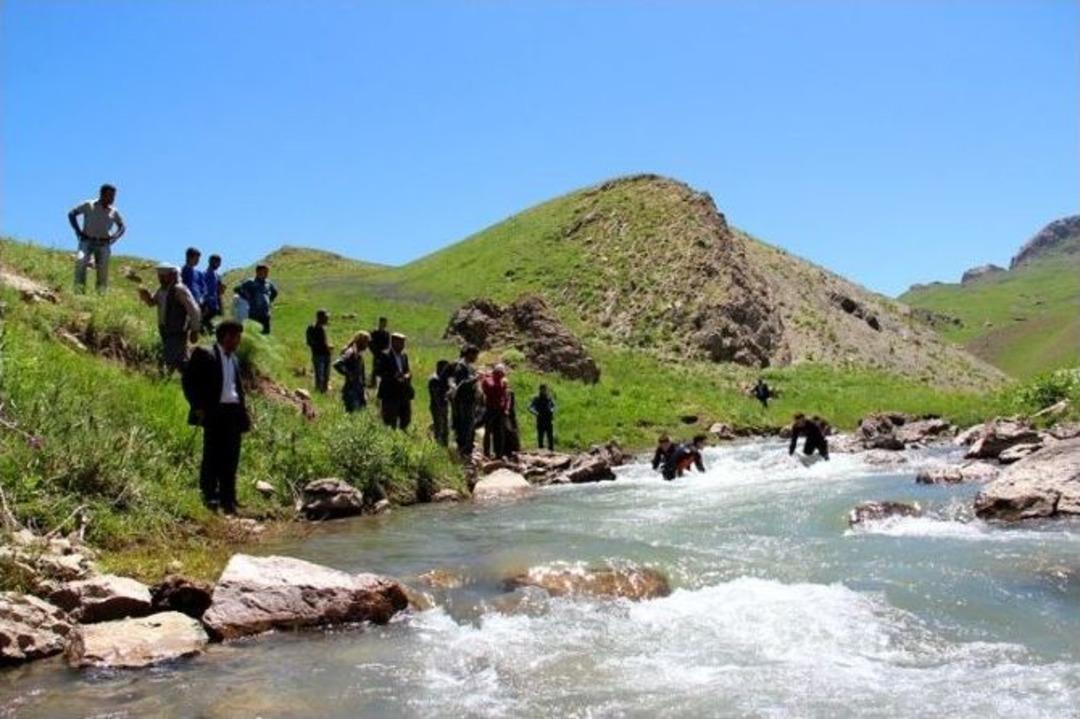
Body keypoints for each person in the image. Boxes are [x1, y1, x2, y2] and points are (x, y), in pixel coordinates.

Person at [182, 320, 251, 514]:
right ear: (227, 336)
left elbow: (236, 388)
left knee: (232, 456)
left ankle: (229, 499)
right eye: (237, 336)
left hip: (233, 412)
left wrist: (244, 412)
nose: (239, 341)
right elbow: (188, 382)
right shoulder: (205, 354)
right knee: (212, 455)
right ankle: (209, 496)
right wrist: (197, 406)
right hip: (214, 411)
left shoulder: (234, 359)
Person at [138, 264, 201, 373]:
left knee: (169, 359)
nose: (160, 279)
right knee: (180, 360)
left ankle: (162, 381)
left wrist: (195, 330)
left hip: (177, 330)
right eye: (159, 276)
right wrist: (146, 296)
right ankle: (191, 379)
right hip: (165, 329)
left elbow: (194, 310)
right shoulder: (161, 289)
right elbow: (152, 303)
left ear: (173, 275)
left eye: (163, 276)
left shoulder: (179, 290)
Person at [69, 183, 125, 293]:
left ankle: (101, 294)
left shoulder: (113, 211)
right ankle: (79, 291)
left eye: (114, 196)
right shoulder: (89, 205)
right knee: (81, 260)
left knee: (103, 270)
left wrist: (115, 237)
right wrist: (78, 231)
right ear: (102, 194)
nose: (113, 198)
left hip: (104, 244)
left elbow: (122, 226)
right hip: (87, 240)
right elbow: (72, 214)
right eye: (110, 195)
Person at [447, 345, 481, 457]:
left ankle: (468, 449)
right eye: (475, 355)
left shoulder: (469, 367)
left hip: (470, 401)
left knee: (470, 425)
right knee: (463, 425)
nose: (476, 358)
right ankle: (463, 450)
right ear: (469, 354)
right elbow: (460, 386)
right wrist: (475, 379)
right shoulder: (460, 367)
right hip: (463, 402)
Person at [375, 333, 413, 429]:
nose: (403, 345)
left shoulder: (404, 356)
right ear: (393, 342)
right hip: (390, 393)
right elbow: (379, 372)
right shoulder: (385, 355)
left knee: (406, 419)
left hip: (403, 392)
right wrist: (394, 376)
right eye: (401, 343)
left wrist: (407, 375)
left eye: (403, 343)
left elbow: (407, 370)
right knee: (390, 421)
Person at [234, 264, 277, 334]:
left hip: (266, 313)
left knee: (266, 334)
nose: (266, 274)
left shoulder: (268, 283)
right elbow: (237, 289)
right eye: (265, 272)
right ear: (258, 272)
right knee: (256, 334)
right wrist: (247, 297)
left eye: (267, 272)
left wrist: (269, 300)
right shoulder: (250, 282)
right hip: (254, 314)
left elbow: (275, 292)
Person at [480, 364, 511, 458]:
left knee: (499, 432)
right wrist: (502, 385)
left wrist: (506, 408)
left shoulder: (503, 382)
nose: (501, 375)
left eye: (502, 373)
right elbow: (488, 390)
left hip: (500, 410)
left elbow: (506, 396)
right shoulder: (488, 381)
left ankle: (499, 453)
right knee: (488, 431)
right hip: (490, 408)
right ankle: (486, 452)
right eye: (499, 373)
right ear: (495, 372)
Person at [333, 331, 369, 413]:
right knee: (354, 413)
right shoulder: (351, 352)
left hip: (359, 389)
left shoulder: (358, 353)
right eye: (366, 342)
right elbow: (337, 364)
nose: (367, 345)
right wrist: (349, 374)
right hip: (351, 390)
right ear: (361, 341)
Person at [306, 310, 332, 393]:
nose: (327, 319)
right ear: (320, 317)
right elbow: (310, 342)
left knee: (326, 375)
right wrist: (324, 346)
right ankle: (318, 392)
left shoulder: (324, 328)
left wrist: (328, 346)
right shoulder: (311, 328)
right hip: (318, 355)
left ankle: (324, 392)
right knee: (319, 376)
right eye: (326, 317)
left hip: (327, 355)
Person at [428, 360, 450, 446]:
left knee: (445, 427)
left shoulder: (442, 377)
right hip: (437, 406)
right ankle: (438, 445)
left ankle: (444, 445)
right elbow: (435, 396)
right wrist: (440, 408)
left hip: (443, 405)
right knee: (439, 428)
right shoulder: (434, 379)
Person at [528, 384, 557, 451]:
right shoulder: (536, 398)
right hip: (540, 419)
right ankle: (540, 451)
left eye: (545, 389)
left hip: (549, 419)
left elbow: (553, 405)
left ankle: (551, 451)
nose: (544, 391)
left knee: (550, 437)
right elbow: (530, 407)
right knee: (540, 437)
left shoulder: (549, 397)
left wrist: (552, 410)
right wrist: (536, 413)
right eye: (542, 389)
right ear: (540, 390)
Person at [200, 254, 224, 333]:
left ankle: (209, 331)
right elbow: (203, 289)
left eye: (219, 263)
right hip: (207, 302)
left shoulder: (216, 275)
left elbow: (219, 290)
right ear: (211, 262)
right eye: (217, 262)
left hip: (214, 302)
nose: (219, 265)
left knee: (206, 319)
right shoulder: (205, 274)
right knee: (204, 319)